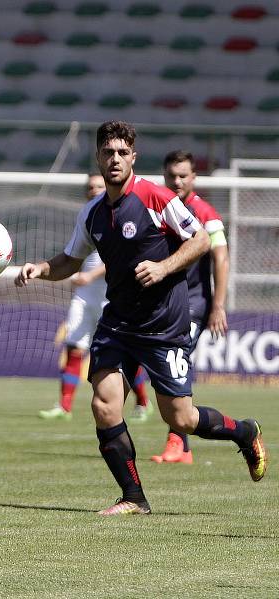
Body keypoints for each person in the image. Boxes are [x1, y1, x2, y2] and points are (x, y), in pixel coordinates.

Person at [16, 120, 267, 516]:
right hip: (118, 323)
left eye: (121, 153)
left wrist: (165, 267)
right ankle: (133, 497)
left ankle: (245, 432)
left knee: (180, 418)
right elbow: (69, 260)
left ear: (133, 157)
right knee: (104, 406)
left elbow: (200, 239)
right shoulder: (92, 214)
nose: (114, 159)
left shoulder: (155, 197)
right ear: (98, 157)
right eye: (107, 152)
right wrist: (40, 269)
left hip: (164, 326)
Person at [39, 174, 153, 422]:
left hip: (109, 297)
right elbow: (74, 256)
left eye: (99, 186)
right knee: (74, 348)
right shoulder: (88, 216)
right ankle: (64, 406)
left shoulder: (121, 216)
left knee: (124, 354)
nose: (94, 190)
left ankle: (143, 402)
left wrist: (90, 276)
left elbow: (119, 260)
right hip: (84, 295)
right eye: (90, 187)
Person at [151, 150, 230, 464]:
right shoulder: (157, 208)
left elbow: (221, 258)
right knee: (162, 361)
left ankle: (178, 443)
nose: (178, 181)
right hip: (164, 305)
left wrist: (218, 306)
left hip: (195, 304)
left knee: (175, 356)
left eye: (183, 175)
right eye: (172, 175)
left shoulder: (205, 212)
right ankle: (181, 444)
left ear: (194, 177)